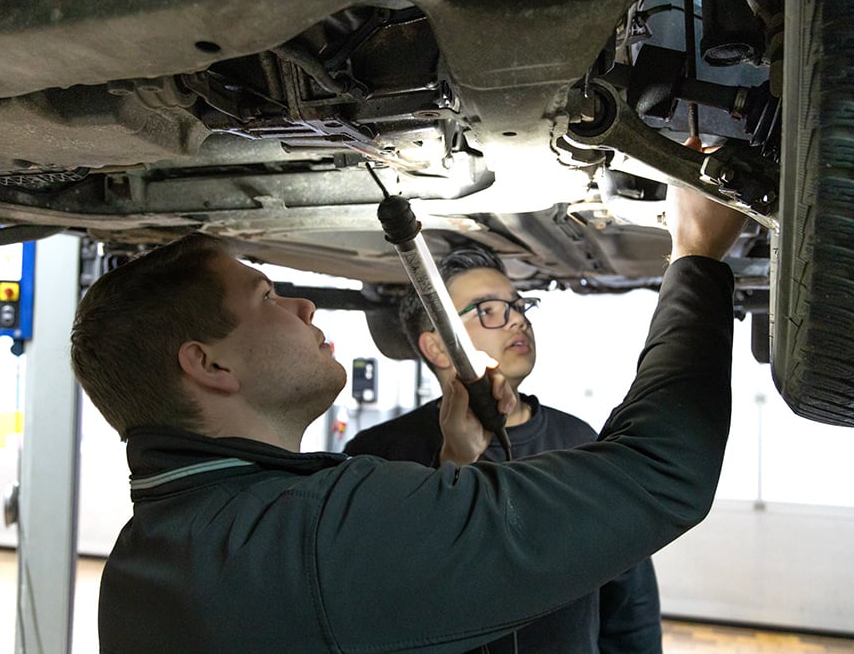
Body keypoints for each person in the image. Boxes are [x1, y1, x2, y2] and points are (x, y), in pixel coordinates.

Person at [70, 174, 746, 653]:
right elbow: (663, 471)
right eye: (267, 294)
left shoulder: (142, 562)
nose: (305, 307)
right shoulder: (319, 533)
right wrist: (696, 255)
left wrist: (453, 468)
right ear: (209, 364)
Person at [343, 244, 663, 652]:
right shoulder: (380, 453)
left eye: (518, 305)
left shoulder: (580, 442)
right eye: (487, 310)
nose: (518, 321)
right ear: (437, 347)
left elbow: (629, 599)